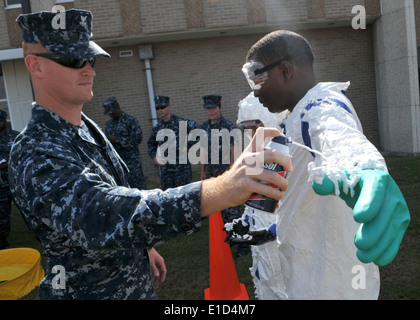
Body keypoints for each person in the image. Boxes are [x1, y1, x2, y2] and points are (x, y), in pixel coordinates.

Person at [9, 9, 291, 300]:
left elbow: (120, 193)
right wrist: (222, 188)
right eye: (73, 60)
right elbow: (102, 214)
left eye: (90, 59)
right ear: (36, 66)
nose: (89, 70)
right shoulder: (35, 150)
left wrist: (143, 248)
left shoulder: (85, 127)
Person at [240, 30, 410, 299]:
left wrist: (362, 165)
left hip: (333, 283)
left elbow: (335, 133)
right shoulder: (295, 116)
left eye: (258, 79)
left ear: (285, 71)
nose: (255, 92)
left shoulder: (319, 107)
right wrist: (271, 228)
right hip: (309, 273)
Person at [224, 92, 289, 299]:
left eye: (255, 128)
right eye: (248, 129)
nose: (252, 136)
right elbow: (256, 201)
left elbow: (305, 210)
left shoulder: (294, 157)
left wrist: (271, 232)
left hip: (285, 250)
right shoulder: (258, 157)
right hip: (263, 252)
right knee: (267, 288)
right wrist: (244, 222)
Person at [200, 95, 242, 225]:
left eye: (213, 108)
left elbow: (234, 151)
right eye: (208, 108)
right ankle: (221, 236)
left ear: (220, 108)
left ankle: (241, 239)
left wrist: (231, 170)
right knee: (215, 205)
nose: (211, 111)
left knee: (231, 206)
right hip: (211, 173)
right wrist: (202, 170)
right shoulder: (204, 128)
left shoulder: (228, 127)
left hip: (226, 173)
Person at [147, 96, 199, 190]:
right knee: (168, 200)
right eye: (157, 108)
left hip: (182, 171)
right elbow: (151, 144)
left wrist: (188, 146)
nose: (160, 110)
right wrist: (155, 157)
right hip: (166, 173)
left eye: (162, 107)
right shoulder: (158, 128)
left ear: (168, 107)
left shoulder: (181, 122)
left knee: (185, 197)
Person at [103, 96, 147, 190]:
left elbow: (137, 139)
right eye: (109, 113)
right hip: (118, 164)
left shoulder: (130, 121)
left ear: (118, 107)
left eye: (112, 112)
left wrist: (117, 139)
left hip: (132, 163)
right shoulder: (109, 124)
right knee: (123, 190)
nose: (111, 115)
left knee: (139, 189)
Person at [0, 110, 19, 249]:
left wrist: (10, 162)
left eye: (0, 120)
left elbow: (25, 155)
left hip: (16, 182)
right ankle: (2, 238)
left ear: (5, 121)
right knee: (2, 212)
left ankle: (39, 233)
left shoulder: (16, 136)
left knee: (28, 210)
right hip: (1, 184)